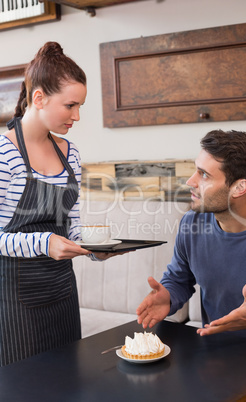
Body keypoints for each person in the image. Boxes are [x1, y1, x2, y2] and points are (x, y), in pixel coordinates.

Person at [0, 41, 118, 366]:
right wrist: (45, 242)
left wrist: (95, 248)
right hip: (14, 301)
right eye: (70, 106)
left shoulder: (71, 154)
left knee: (68, 381)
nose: (77, 116)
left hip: (63, 292)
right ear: (39, 98)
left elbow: (72, 226)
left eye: (80, 106)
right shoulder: (4, 154)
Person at [137, 129, 246, 340]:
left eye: (204, 174)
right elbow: (179, 279)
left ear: (239, 187)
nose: (191, 181)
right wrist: (168, 296)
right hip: (210, 353)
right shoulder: (192, 222)